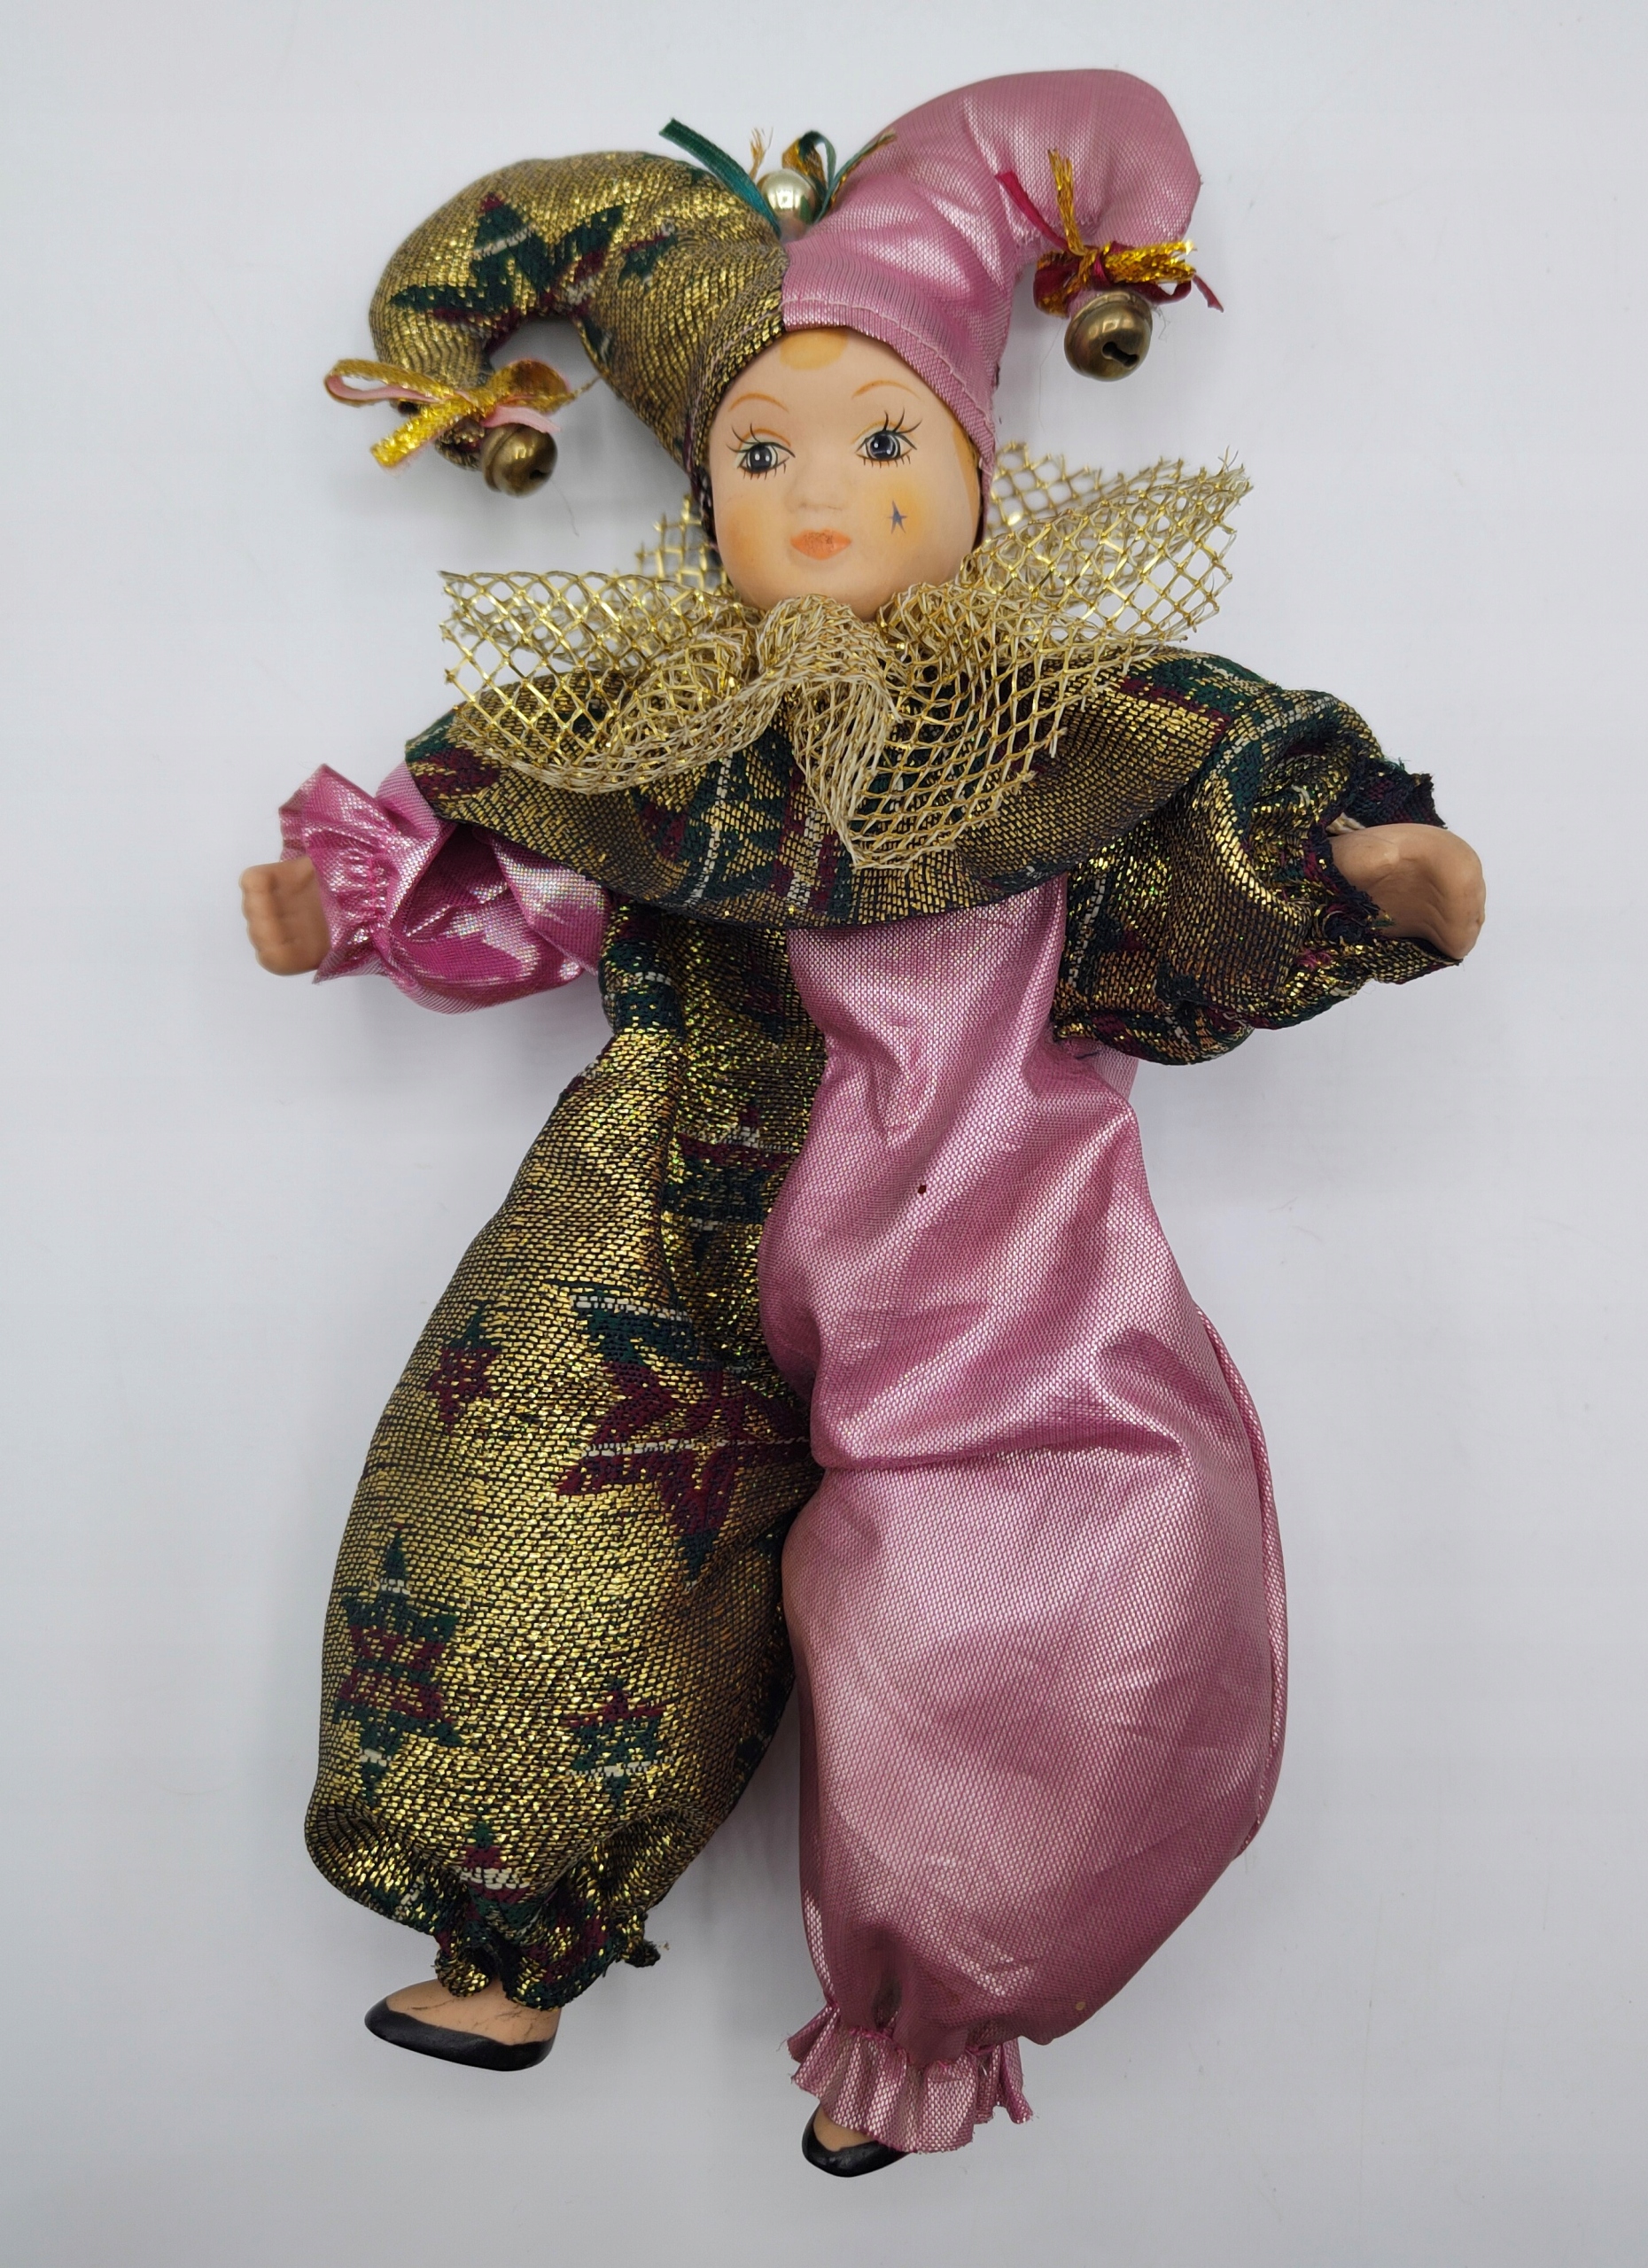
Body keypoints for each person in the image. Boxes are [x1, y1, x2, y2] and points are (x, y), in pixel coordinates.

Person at [244, 72, 1483, 2169]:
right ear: (704, 492)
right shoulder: (660, 726)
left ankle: (926, 2017)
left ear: (974, 466)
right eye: (763, 453)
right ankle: (502, 1923)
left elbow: (1185, 891)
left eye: (880, 441)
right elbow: (553, 894)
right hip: (664, 1207)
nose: (820, 494)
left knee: (1040, 1571)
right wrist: (370, 908)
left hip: (986, 1226)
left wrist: (1358, 871)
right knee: (533, 1491)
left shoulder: (1075, 725)